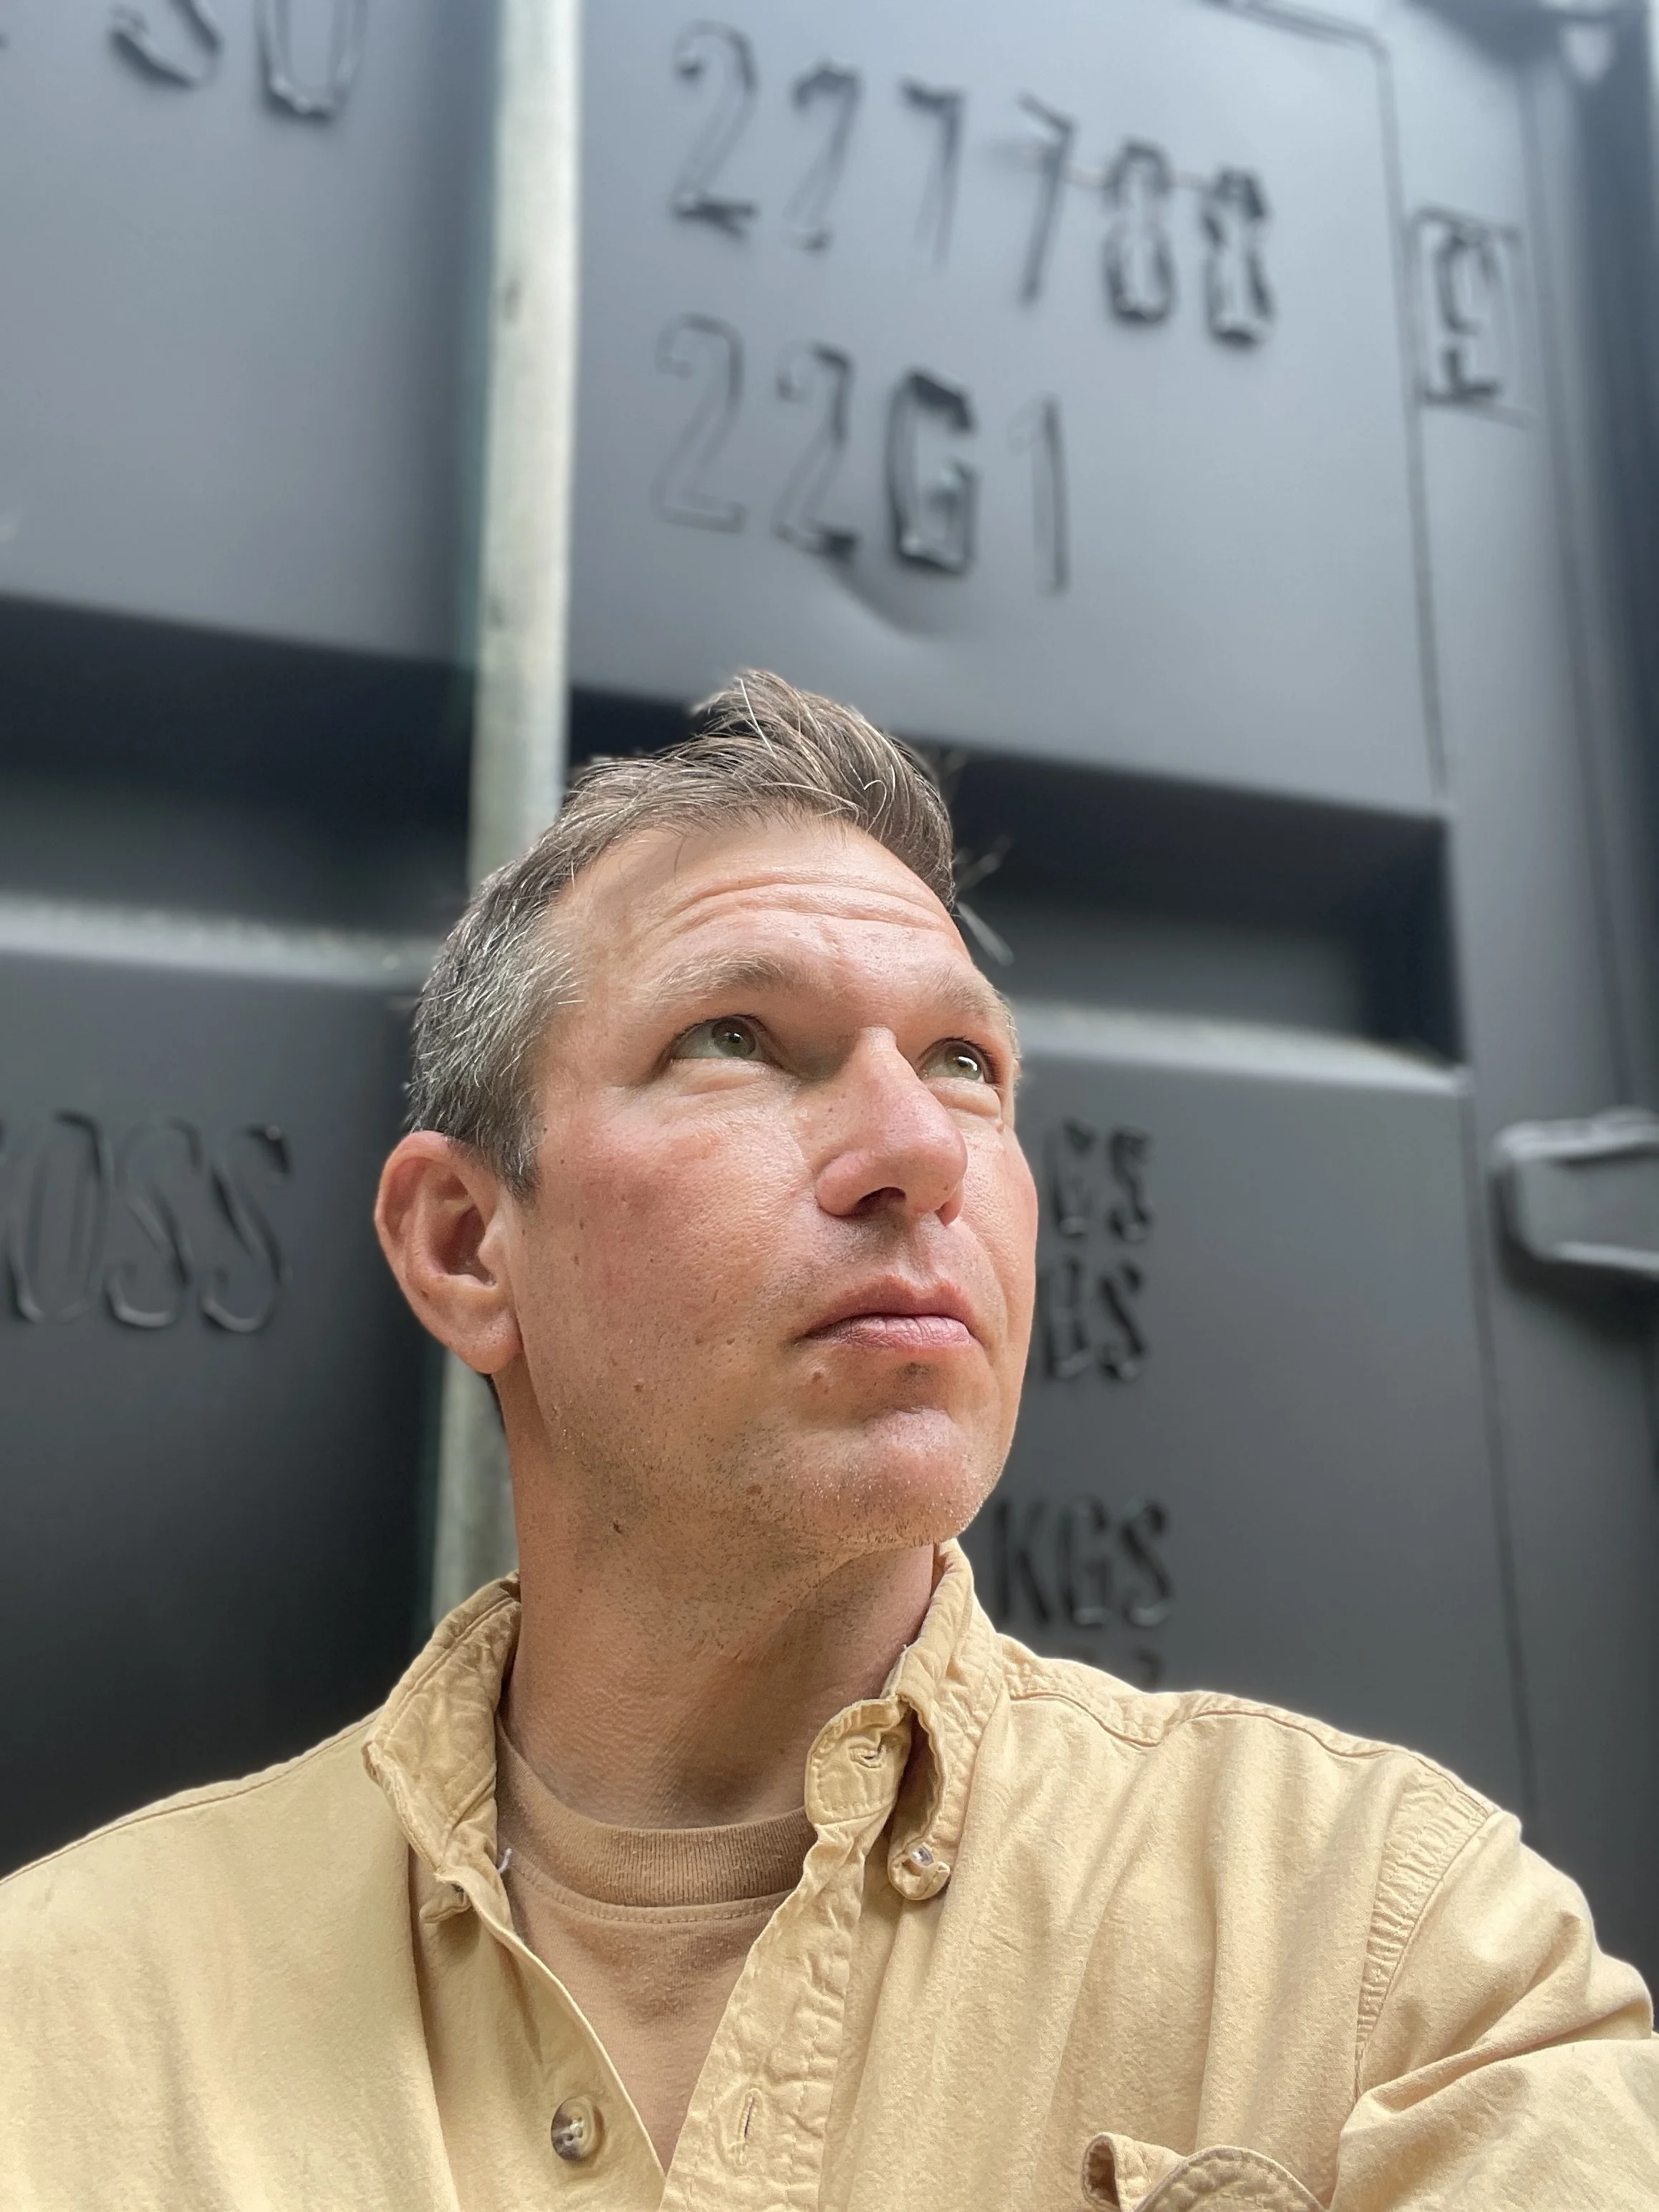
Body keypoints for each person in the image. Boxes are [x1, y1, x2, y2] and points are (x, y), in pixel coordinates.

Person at [2, 670, 1655, 2211]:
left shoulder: (1393, 1952)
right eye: (735, 1036)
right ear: (463, 1244)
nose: (918, 1147)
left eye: (965, 1062)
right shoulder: (62, 2021)